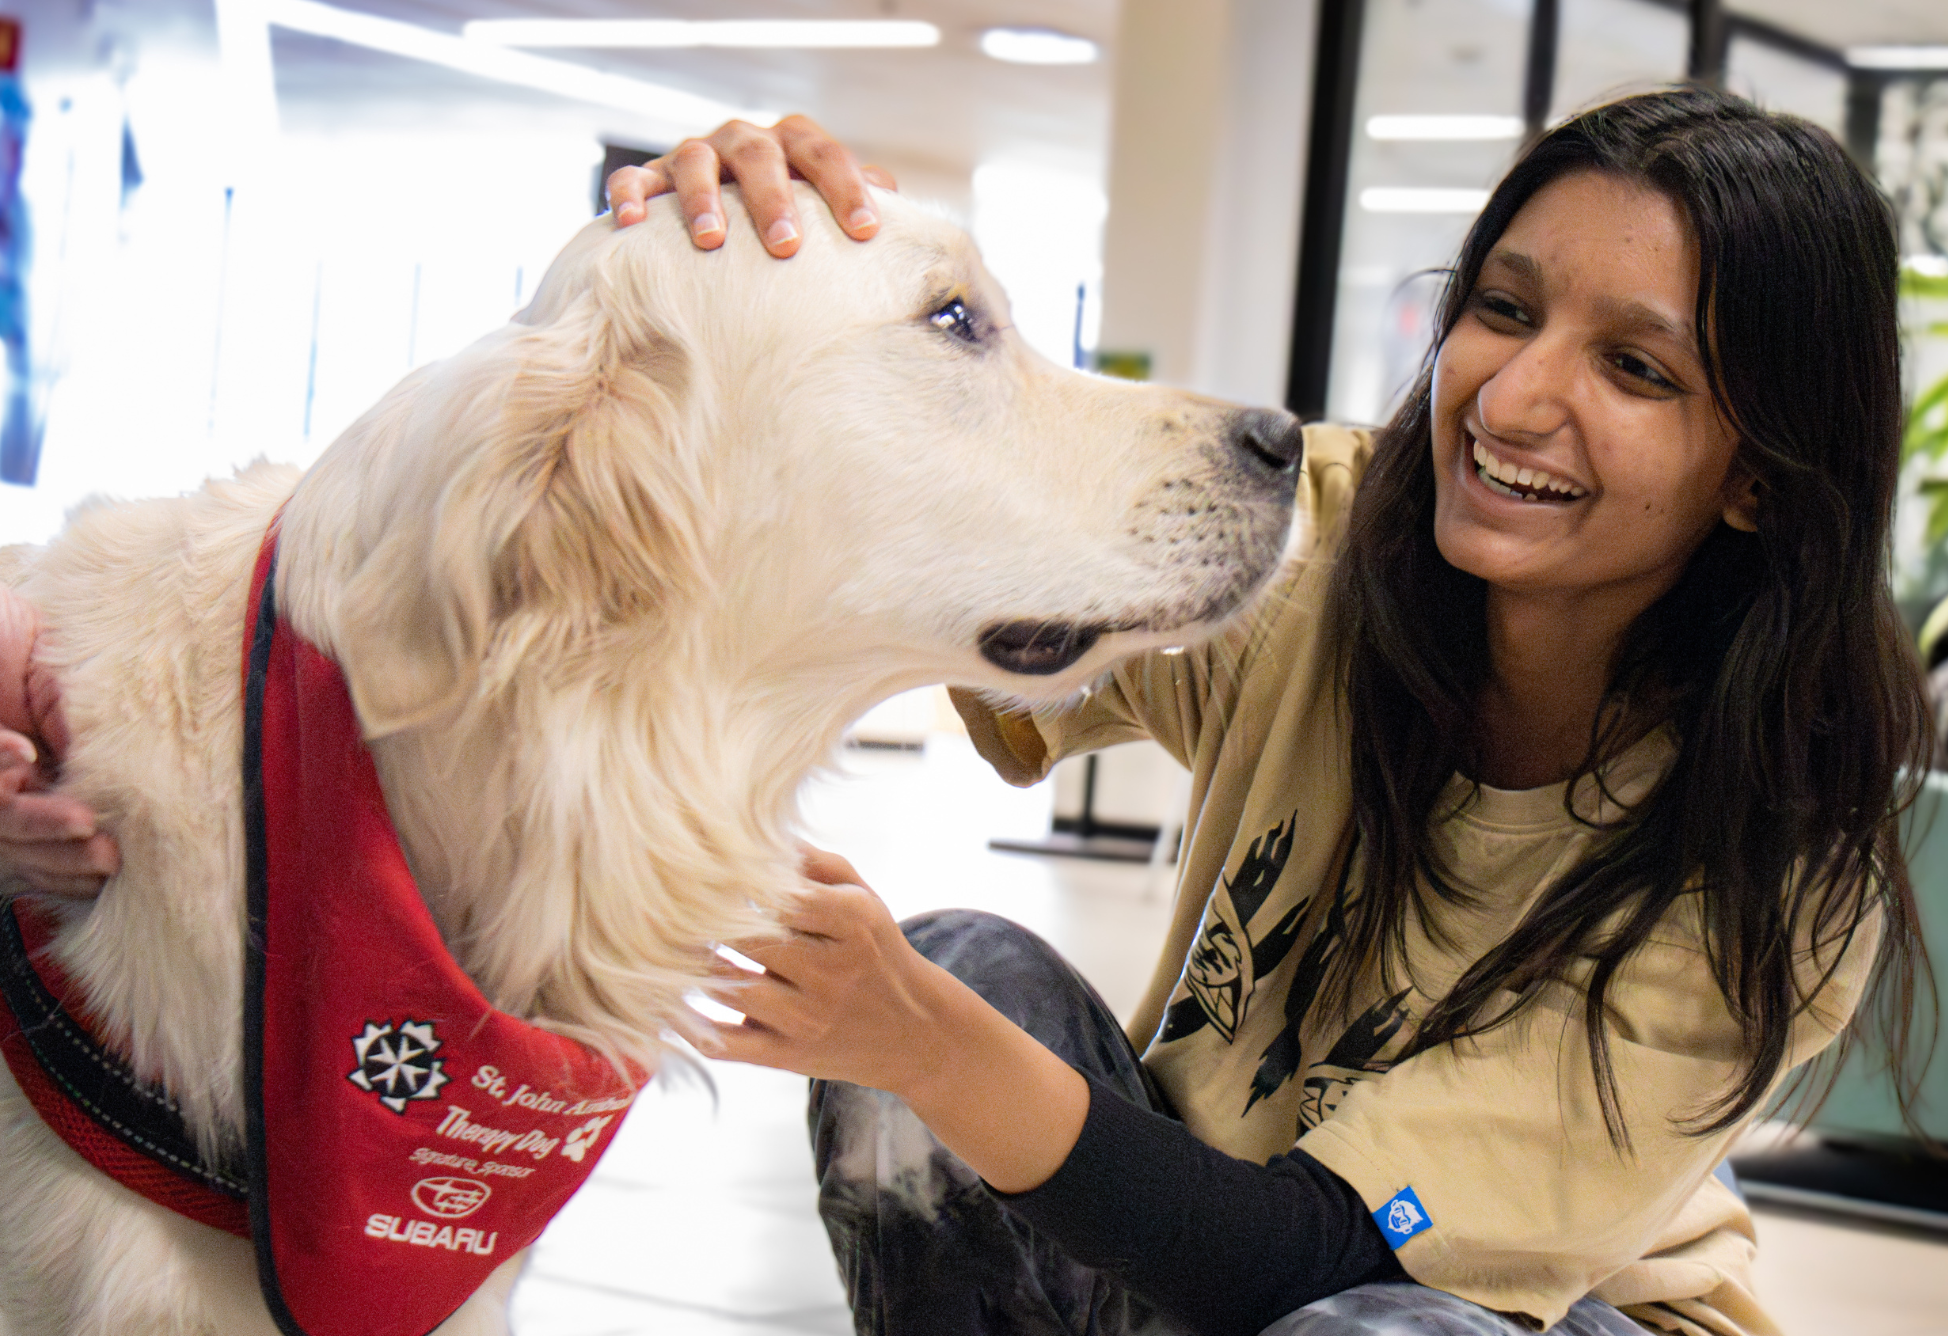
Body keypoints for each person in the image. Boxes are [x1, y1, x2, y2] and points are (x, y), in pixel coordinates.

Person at [0, 87, 1930, 1336]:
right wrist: (677, 262)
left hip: (1466, 1311)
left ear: (1763, 468)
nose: (1512, 399)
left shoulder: (1789, 859)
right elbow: (750, 510)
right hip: (1191, 1228)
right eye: (1502, 309)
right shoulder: (1354, 555)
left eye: (1637, 368)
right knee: (975, 966)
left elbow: (1327, 1266)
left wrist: (915, 1037)